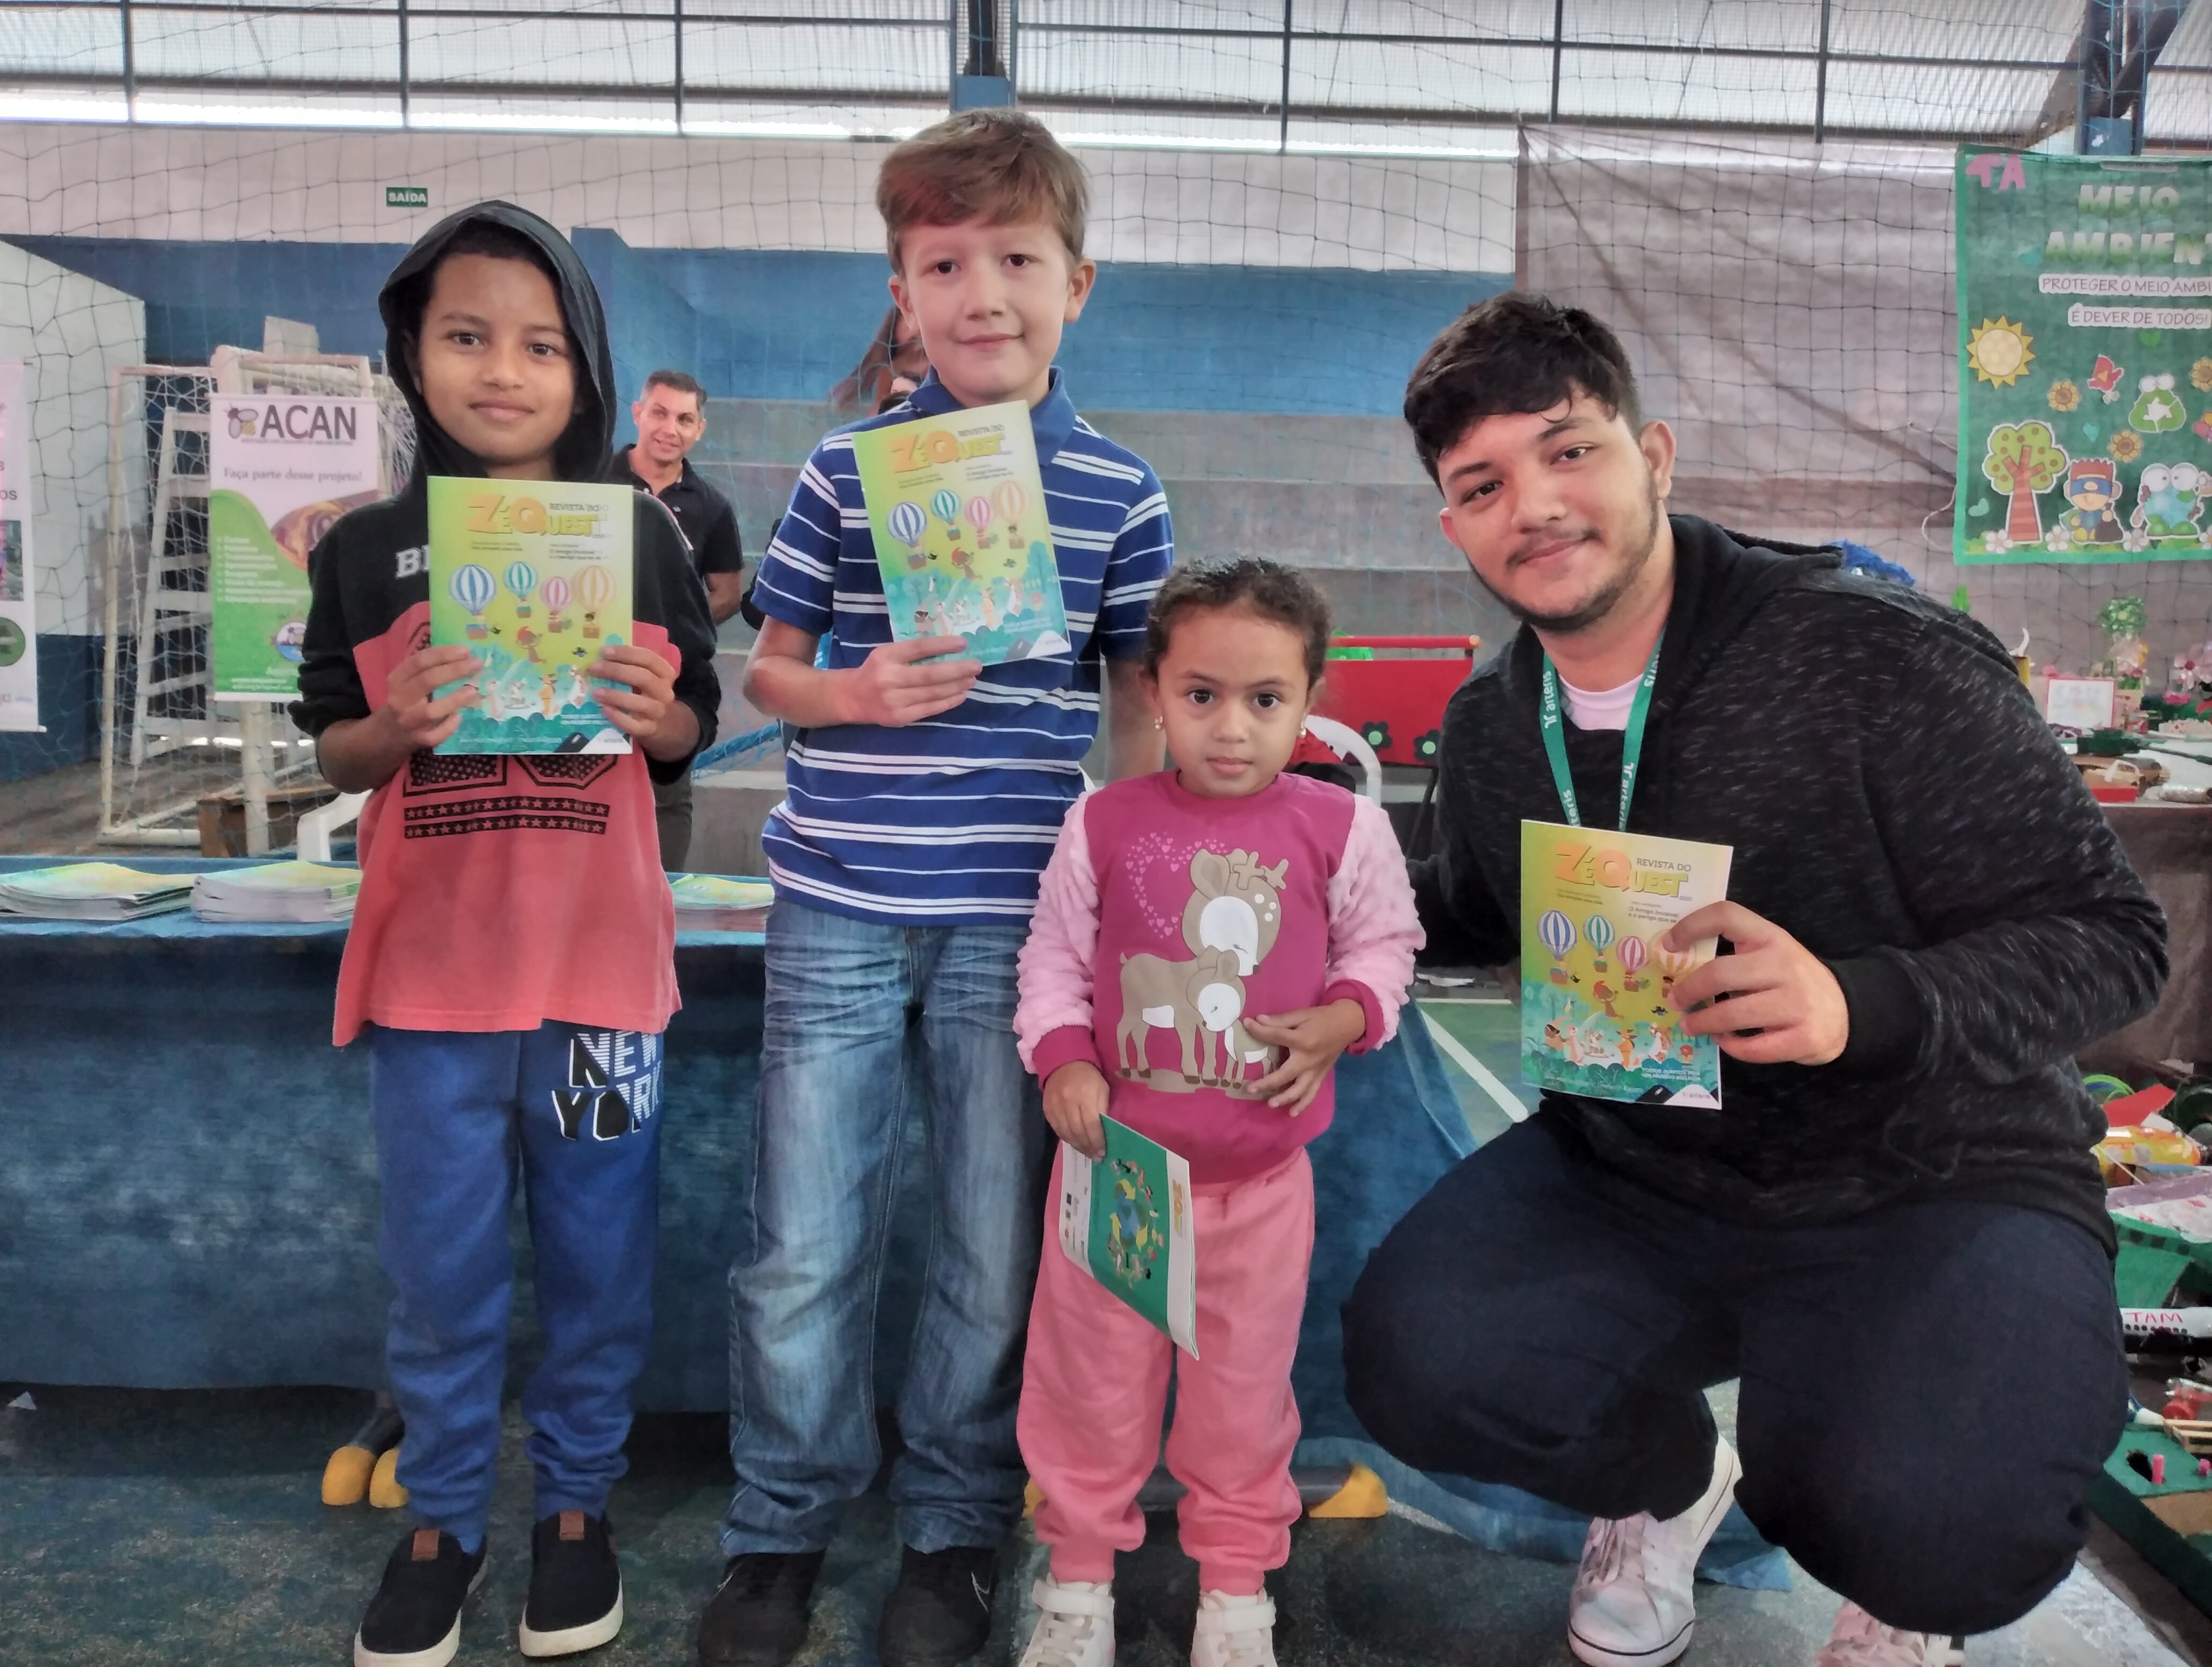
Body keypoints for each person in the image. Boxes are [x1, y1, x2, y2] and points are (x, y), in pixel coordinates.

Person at [1339, 292, 2168, 1667]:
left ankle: (1890, 1571)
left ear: (1653, 454)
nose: (1533, 506)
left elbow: (2108, 932)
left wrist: (1863, 1001)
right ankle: (1665, 1486)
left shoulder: (1871, 654)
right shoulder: (1494, 722)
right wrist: (1294, 892)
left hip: (1929, 1172)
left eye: (1568, 452)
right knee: (1420, 1359)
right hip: (1642, 1171)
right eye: (1482, 483)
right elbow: (1473, 912)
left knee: (1927, 1514)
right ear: (1452, 523)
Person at [699, 110, 1174, 1667]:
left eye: (1016, 258)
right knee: (805, 1239)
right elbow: (767, 664)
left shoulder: (1119, 492)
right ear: (904, 292)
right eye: (944, 262)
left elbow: (1143, 710)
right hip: (838, 897)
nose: (984, 291)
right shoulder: (850, 472)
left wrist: (1172, 868)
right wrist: (856, 694)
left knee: (988, 1237)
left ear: (1077, 285)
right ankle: (777, 1524)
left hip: (1016, 926)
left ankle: (955, 1525)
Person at [293, 202, 720, 1667]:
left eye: (539, 343)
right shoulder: (365, 550)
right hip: (430, 988)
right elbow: (328, 751)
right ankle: (447, 1520)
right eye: (466, 335)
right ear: (414, 351)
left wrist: (665, 723)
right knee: (443, 1270)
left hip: (603, 990)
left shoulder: (645, 539)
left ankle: (577, 1514)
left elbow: (689, 728)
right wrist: (386, 730)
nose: (501, 369)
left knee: (603, 1264)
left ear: (585, 366)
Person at [1011, 560, 1421, 1667]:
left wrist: (1347, 1017)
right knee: (1088, 1391)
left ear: (1307, 699)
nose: (1230, 728)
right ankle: (1079, 1581)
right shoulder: (1102, 823)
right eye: (1201, 696)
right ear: (1154, 691)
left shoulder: (1341, 830)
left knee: (1239, 1400)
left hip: (1258, 1192)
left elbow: (1384, 950)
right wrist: (1061, 1063)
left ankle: (1236, 1593)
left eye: (1264, 700)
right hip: (1117, 1177)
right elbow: (1051, 962)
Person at [608, 368, 744, 870]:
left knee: (667, 794)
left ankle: (663, 900)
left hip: (666, 685)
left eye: (685, 419)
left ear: (700, 429)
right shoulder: (590, 482)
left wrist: (671, 636)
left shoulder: (712, 507)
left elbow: (727, 592)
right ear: (638, 414)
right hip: (586, 670)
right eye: (660, 413)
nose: (671, 428)